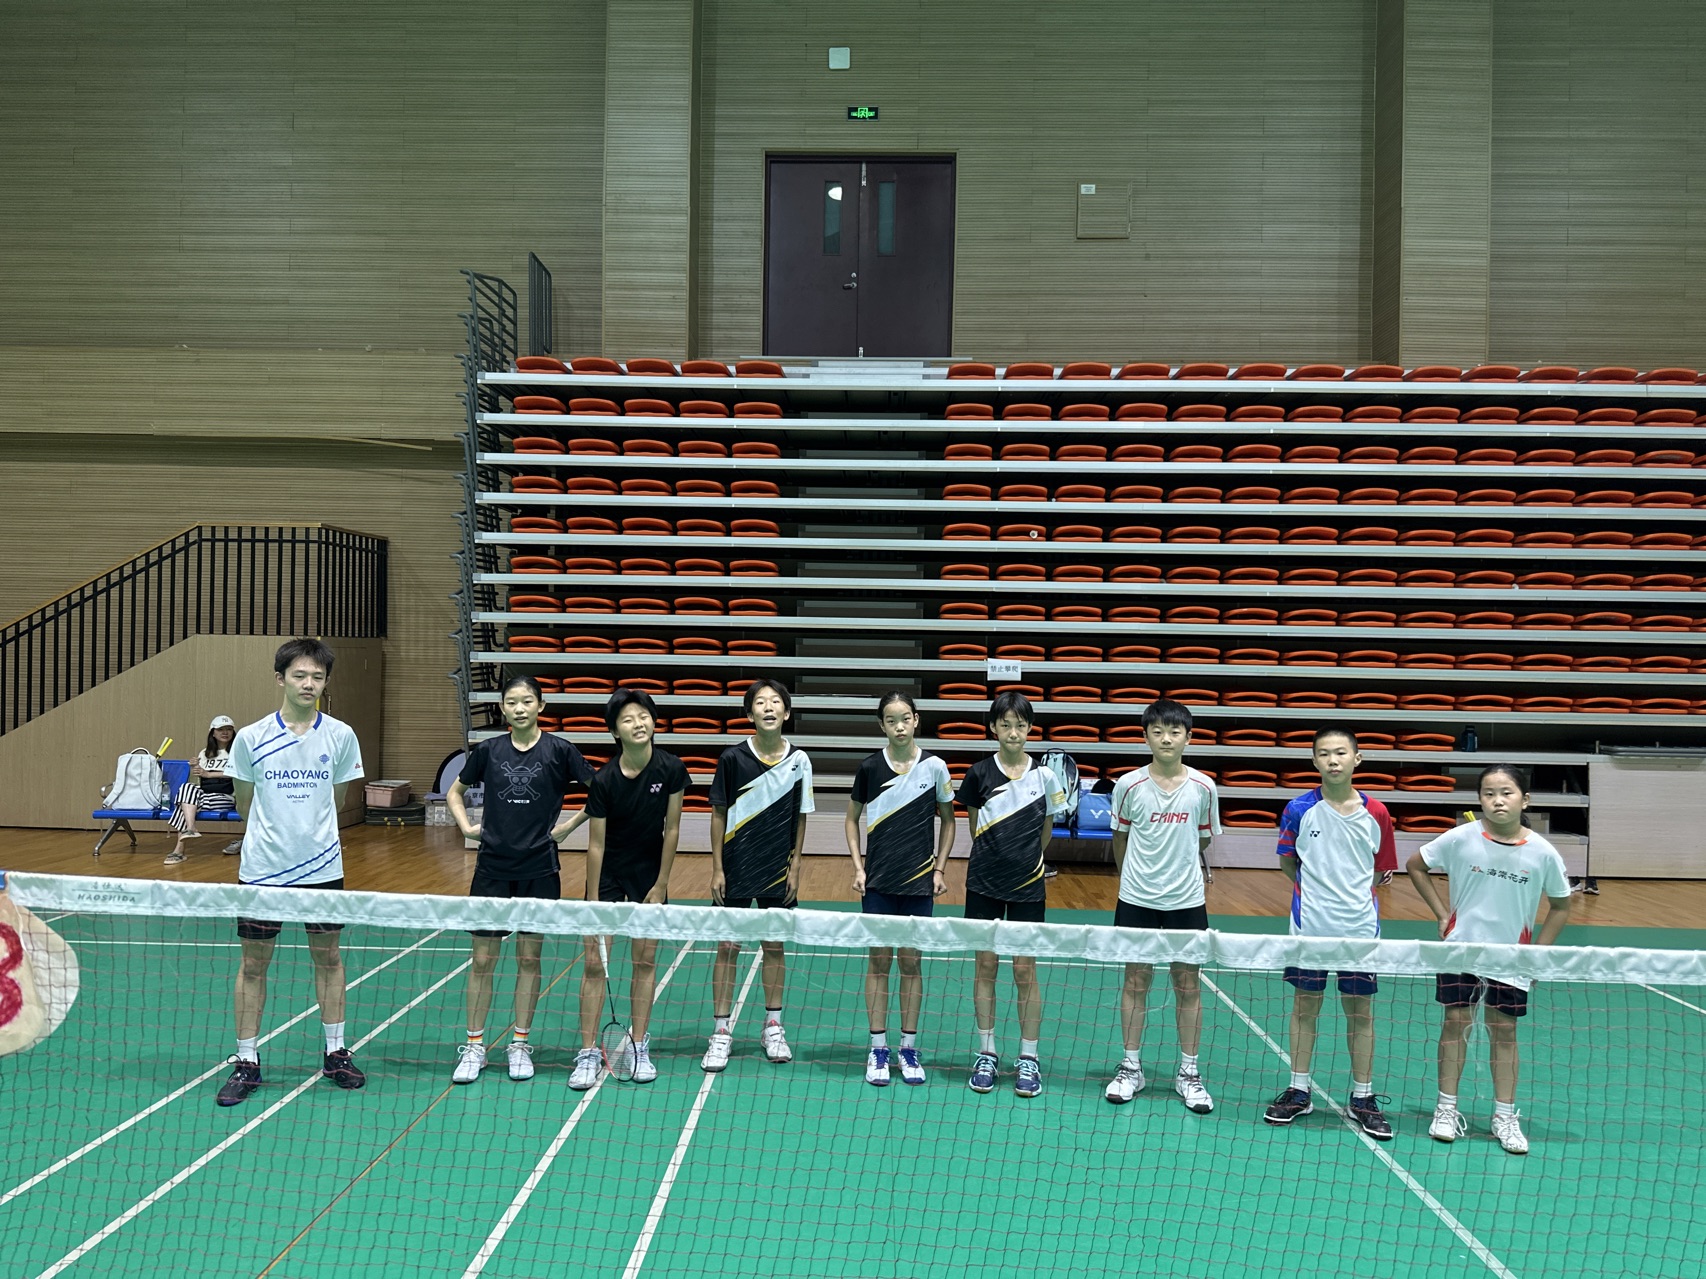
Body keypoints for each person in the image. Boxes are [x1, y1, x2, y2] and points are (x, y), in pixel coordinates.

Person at [216, 639, 366, 1107]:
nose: (308, 684)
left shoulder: (340, 735)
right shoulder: (251, 738)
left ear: (325, 682)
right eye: (300, 675)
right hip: (263, 871)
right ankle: (246, 1060)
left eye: (317, 677)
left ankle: (336, 1053)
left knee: (330, 959)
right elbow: (244, 802)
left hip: (323, 868)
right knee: (253, 965)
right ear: (280, 678)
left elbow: (338, 800)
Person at [1406, 764, 1573, 1155]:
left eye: (1506, 793)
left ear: (1525, 800)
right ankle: (1446, 1109)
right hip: (1461, 949)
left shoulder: (1542, 852)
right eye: (1488, 793)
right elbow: (1416, 865)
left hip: (1512, 957)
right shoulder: (1461, 838)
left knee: (1504, 1032)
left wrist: (1537, 954)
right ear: (1480, 799)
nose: (1497, 800)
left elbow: (1562, 905)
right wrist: (1442, 914)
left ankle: (1504, 1116)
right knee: (1455, 1023)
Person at [447, 674, 592, 1086]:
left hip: (539, 869)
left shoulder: (560, 750)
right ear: (503, 708)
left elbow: (600, 791)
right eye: (512, 702)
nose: (520, 708)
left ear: (540, 706)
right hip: (492, 869)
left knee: (529, 959)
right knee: (482, 961)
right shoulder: (488, 751)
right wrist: (466, 827)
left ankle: (520, 1043)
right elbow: (455, 792)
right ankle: (475, 1045)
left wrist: (568, 827)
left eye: (527, 701)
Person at [1262, 728, 1398, 1138]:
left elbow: (1381, 870)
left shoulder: (1377, 812)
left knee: (1360, 1012)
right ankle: (1299, 1090)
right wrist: (1315, 893)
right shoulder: (1299, 809)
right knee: (1306, 1006)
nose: (1333, 760)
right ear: (1314, 761)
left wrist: (1350, 897)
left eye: (1341, 753)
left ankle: (1363, 1097)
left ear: (1358, 758)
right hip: (1310, 926)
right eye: (1324, 754)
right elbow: (1288, 861)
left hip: (1360, 929)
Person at [1103, 698, 1220, 1113]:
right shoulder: (1128, 785)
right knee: (1135, 982)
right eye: (1157, 731)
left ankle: (1189, 1072)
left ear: (1188, 737)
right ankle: (1131, 1067)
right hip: (1137, 899)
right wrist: (1134, 880)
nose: (1166, 739)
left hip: (1187, 901)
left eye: (1174, 731)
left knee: (1188, 986)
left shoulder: (1204, 787)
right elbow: (1120, 838)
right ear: (1146, 736)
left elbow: (1203, 838)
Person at [956, 691, 1066, 1099]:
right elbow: (975, 826)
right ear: (993, 728)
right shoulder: (978, 774)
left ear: (1030, 728)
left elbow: (1047, 828)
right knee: (985, 967)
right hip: (983, 884)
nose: (1013, 732)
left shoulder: (1045, 777)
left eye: (1020, 725)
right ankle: (986, 1052)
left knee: (1025, 971)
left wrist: (1027, 860)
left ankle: (1028, 1057)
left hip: (1027, 887)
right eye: (1006, 725)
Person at [844, 691, 956, 1086]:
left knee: (911, 964)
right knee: (878, 963)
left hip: (918, 885)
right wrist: (859, 867)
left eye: (905, 718)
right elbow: (851, 819)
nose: (899, 726)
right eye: (891, 720)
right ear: (882, 725)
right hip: (878, 883)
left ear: (916, 719)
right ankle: (878, 1048)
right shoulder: (870, 768)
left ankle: (908, 1048)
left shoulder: (935, 767)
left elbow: (949, 820)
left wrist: (939, 869)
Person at [702, 678, 814, 1072]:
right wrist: (717, 867)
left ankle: (773, 1026)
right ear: (749, 714)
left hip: (776, 868)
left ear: (787, 712)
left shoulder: (799, 761)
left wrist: (795, 865)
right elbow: (718, 813)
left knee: (774, 946)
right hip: (735, 865)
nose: (769, 707)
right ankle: (721, 1031)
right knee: (727, 947)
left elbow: (801, 815)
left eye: (776, 701)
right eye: (760, 703)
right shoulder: (732, 759)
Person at [577, 687, 687, 1087]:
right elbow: (596, 844)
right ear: (614, 732)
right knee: (594, 964)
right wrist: (593, 900)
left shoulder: (671, 769)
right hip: (608, 873)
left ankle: (639, 1045)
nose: (638, 723)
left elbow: (672, 829)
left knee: (645, 962)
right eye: (628, 719)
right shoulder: (604, 780)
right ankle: (589, 1051)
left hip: (648, 873)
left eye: (644, 716)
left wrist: (661, 883)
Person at [166, 715, 238, 865]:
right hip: (204, 794)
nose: (225, 732)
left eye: (229, 729)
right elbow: (197, 781)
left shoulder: (239, 751)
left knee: (183, 805)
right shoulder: (205, 753)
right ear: (213, 733)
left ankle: (180, 849)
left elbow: (239, 773)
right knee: (187, 787)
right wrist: (195, 768)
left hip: (225, 796)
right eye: (221, 729)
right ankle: (190, 828)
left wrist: (209, 774)